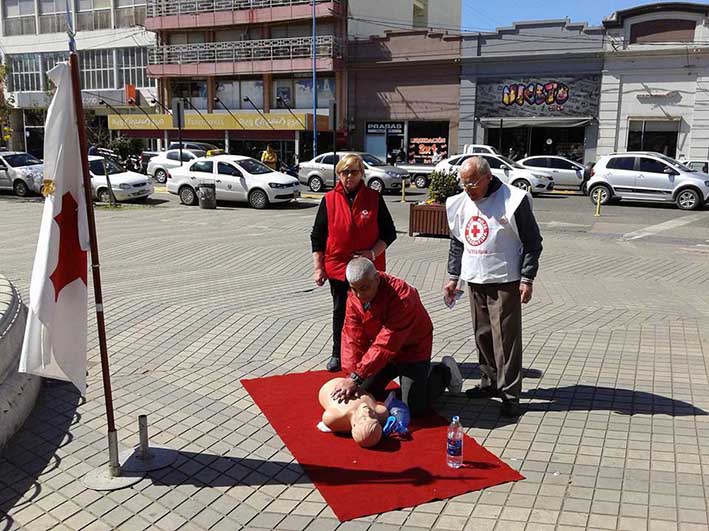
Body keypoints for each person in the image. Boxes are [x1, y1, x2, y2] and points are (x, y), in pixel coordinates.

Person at [443, 157, 542, 418]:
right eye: (463, 184)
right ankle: (488, 382)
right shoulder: (459, 203)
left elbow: (533, 242)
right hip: (475, 278)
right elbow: (457, 242)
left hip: (505, 280)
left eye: (472, 183)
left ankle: (510, 394)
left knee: (505, 340)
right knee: (482, 333)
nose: (468, 189)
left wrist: (527, 278)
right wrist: (453, 277)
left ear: (488, 177)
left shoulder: (513, 200)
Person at [330, 258, 463, 417]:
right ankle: (410, 381)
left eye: (364, 288)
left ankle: (444, 371)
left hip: (412, 348)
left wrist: (357, 377)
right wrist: (351, 376)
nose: (359, 295)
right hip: (383, 353)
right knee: (363, 390)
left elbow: (387, 343)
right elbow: (352, 338)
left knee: (414, 406)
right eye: (354, 289)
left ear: (377, 278)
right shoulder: (354, 296)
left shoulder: (403, 296)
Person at [310, 153, 397, 372]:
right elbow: (317, 237)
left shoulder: (374, 198)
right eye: (344, 172)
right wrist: (319, 267)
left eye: (353, 172)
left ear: (362, 174)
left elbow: (389, 233)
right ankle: (337, 354)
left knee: (373, 313)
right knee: (341, 312)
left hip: (368, 271)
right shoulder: (329, 200)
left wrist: (371, 254)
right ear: (338, 174)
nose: (348, 176)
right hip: (339, 269)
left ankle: (374, 354)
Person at [318, 377, 389, 448]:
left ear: (354, 425)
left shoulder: (337, 415)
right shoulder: (381, 413)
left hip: (330, 387)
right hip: (357, 380)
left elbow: (328, 418)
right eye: (372, 417)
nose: (367, 411)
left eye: (364, 418)